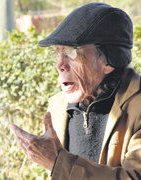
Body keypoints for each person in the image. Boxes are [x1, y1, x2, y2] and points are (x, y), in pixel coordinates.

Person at [10, 3, 141, 180]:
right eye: (57, 52)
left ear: (109, 61)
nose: (60, 64)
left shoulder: (137, 108)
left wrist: (57, 163)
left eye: (71, 52)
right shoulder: (57, 108)